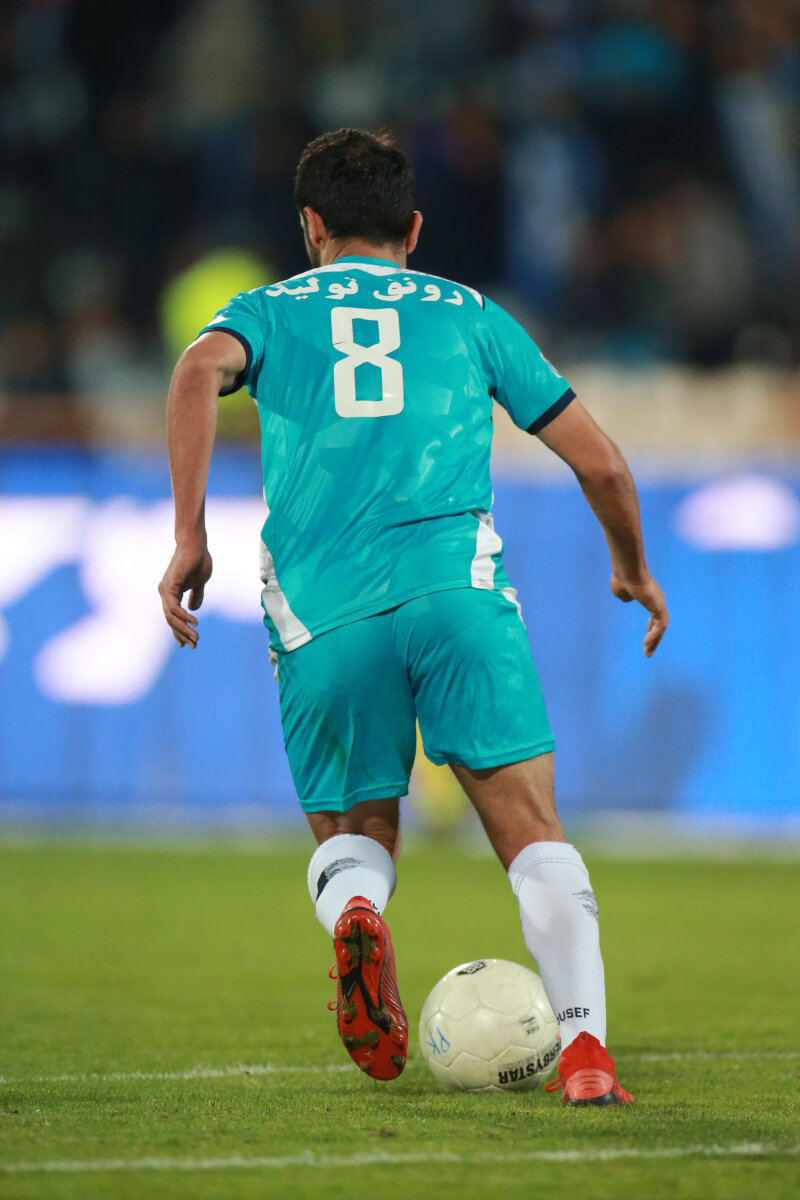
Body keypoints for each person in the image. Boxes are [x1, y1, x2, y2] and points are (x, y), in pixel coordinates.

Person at [158, 128, 669, 1106]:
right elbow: (602, 462)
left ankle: (357, 909)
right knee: (531, 830)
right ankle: (585, 1053)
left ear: (311, 225)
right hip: (455, 595)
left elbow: (193, 373)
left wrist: (189, 534)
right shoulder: (471, 312)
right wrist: (631, 567)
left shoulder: (267, 310)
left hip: (322, 611)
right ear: (415, 228)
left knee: (355, 828)